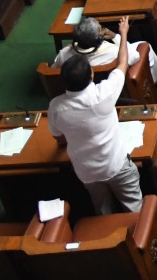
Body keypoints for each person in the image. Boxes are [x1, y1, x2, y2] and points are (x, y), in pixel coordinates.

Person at [48, 18, 142, 214]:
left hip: (86, 171)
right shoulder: (104, 93)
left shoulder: (55, 107)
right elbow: (123, 62)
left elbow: (58, 138)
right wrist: (123, 33)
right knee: (134, 210)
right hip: (116, 164)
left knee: (102, 210)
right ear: (91, 76)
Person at [54, 15, 157, 86]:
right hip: (117, 84)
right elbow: (134, 56)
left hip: (86, 85)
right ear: (97, 37)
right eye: (101, 29)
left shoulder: (64, 54)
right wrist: (120, 36)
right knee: (144, 46)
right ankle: (156, 80)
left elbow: (55, 68)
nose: (103, 30)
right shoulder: (113, 52)